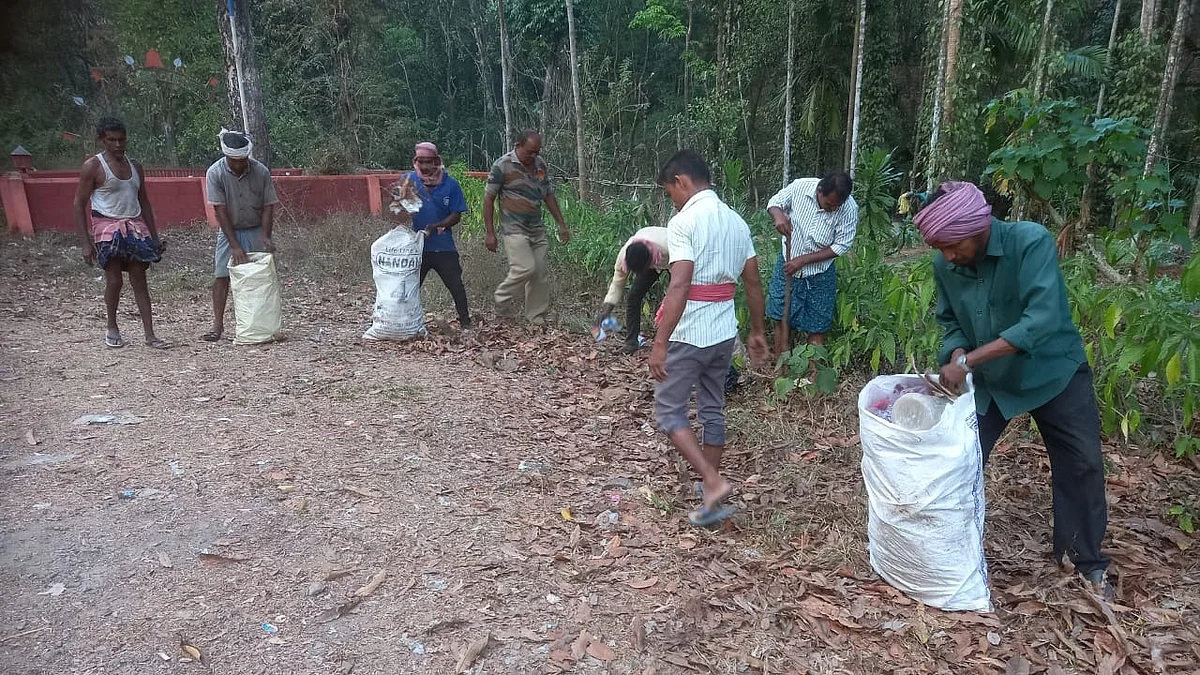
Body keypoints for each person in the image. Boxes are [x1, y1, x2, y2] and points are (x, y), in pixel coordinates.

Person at [910, 181, 1113, 599]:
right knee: (957, 461)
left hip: (1052, 372)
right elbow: (950, 322)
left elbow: (1042, 320)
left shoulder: (1030, 243)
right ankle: (943, 551)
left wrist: (968, 361)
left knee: (1082, 465)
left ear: (979, 226)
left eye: (952, 245)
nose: (947, 256)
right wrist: (957, 351)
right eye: (940, 248)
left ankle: (1085, 560)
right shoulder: (945, 264)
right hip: (991, 381)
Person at [650, 149, 769, 528]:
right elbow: (752, 282)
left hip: (690, 332)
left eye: (671, 192)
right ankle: (710, 501)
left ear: (681, 182)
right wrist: (757, 332)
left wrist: (659, 342)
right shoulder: (737, 222)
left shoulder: (683, 222)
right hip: (723, 333)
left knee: (669, 410)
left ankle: (713, 482)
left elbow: (680, 283)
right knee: (712, 408)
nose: (673, 199)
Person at [72, 117, 169, 350]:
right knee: (114, 280)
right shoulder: (93, 167)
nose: (117, 144)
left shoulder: (135, 166)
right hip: (106, 226)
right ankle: (112, 327)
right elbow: (78, 204)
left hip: (135, 226)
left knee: (139, 279)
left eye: (121, 140)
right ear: (101, 140)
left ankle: (150, 334)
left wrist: (154, 238)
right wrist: (85, 243)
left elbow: (144, 202)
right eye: (112, 140)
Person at [483, 130, 571, 325]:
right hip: (513, 228)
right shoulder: (502, 165)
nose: (533, 156)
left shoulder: (540, 165)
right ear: (518, 146)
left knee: (539, 273)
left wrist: (561, 224)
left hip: (536, 228)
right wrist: (490, 233)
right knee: (525, 267)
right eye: (530, 152)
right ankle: (501, 299)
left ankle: (535, 317)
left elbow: (548, 194)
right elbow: (488, 199)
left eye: (537, 152)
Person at [202, 129, 280, 342]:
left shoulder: (261, 172)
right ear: (226, 157)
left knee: (261, 278)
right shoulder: (215, 173)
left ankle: (264, 325)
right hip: (230, 230)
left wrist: (266, 236)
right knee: (221, 276)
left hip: (255, 227)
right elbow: (220, 211)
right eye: (234, 161)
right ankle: (217, 325)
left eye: (242, 160)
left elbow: (267, 207)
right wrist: (234, 245)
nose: (239, 165)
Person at [765, 172, 857, 346]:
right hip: (787, 262)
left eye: (837, 206)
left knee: (817, 326)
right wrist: (778, 216)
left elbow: (840, 246)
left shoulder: (849, 208)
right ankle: (781, 370)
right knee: (781, 318)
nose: (833, 210)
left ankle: (813, 373)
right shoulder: (800, 186)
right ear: (820, 191)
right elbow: (774, 203)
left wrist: (803, 260)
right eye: (829, 205)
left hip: (819, 273)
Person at [401, 141, 472, 329]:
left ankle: (465, 322)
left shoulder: (451, 185)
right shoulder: (408, 181)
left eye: (428, 162)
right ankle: (405, 322)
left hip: (443, 246)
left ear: (436, 162)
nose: (424, 166)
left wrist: (438, 225)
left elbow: (456, 215)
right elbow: (398, 209)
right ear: (415, 161)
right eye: (420, 161)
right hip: (418, 247)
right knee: (410, 288)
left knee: (456, 286)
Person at [594, 226, 670, 354]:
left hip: (672, 258)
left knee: (675, 300)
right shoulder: (624, 256)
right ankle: (631, 343)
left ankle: (675, 342)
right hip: (647, 258)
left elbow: (681, 281)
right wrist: (606, 311)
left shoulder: (670, 246)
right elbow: (617, 283)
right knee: (633, 298)